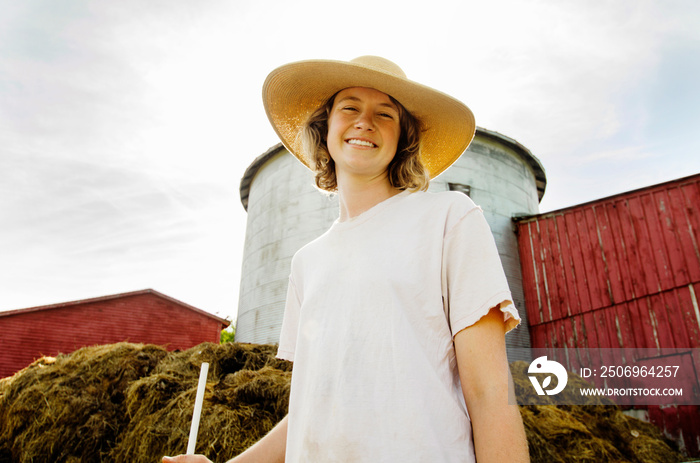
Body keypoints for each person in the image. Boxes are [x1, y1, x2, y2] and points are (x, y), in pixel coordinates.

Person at [164, 56, 529, 463]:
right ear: (325, 129)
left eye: (384, 114)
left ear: (403, 137)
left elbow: (490, 393)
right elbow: (312, 410)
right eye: (350, 108)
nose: (364, 122)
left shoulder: (449, 219)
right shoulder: (307, 262)